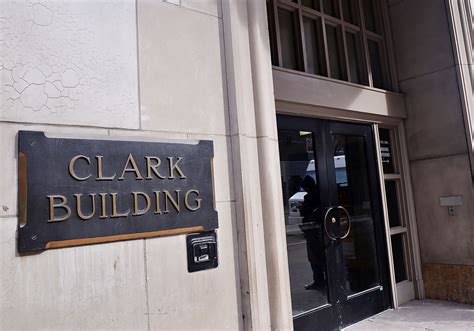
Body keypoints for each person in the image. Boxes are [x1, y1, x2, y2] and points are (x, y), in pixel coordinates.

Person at [299, 175, 325, 290]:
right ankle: (323, 280)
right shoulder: (320, 194)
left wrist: (303, 208)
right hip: (318, 230)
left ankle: (319, 281)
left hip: (314, 230)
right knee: (320, 256)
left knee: (315, 257)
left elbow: (304, 211)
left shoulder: (311, 196)